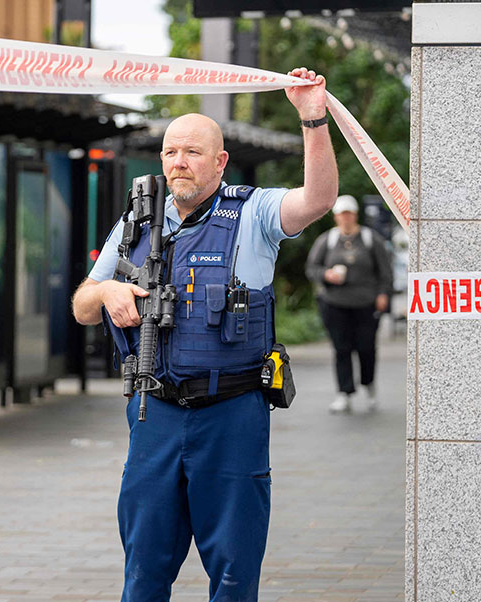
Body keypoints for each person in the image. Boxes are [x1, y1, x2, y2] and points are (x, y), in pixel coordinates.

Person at [71, 68, 337, 601]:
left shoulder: (252, 213)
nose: (179, 162)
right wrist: (108, 293)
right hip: (154, 415)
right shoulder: (136, 223)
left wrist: (312, 118)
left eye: (192, 152)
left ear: (219, 161)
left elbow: (318, 199)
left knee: (234, 572)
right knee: (143, 570)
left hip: (230, 414)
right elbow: (82, 305)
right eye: (171, 152)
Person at [305, 195, 393, 414]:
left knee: (366, 347)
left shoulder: (370, 239)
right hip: (334, 303)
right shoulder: (327, 240)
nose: (346, 218)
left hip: (365, 303)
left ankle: (369, 385)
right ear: (336, 217)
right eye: (342, 214)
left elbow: (385, 271)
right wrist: (326, 275)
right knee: (341, 349)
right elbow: (312, 268)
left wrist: (383, 294)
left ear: (355, 215)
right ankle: (344, 393)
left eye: (349, 214)